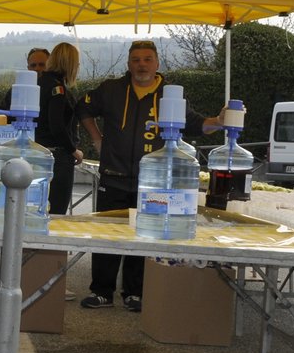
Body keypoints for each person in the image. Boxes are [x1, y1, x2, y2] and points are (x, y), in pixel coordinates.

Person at [76, 39, 220, 311]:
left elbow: (198, 124)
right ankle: (102, 292)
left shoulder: (171, 95)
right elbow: (82, 108)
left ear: (157, 63)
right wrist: (97, 138)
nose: (141, 64)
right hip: (113, 175)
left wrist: (222, 121)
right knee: (107, 234)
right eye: (136, 59)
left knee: (145, 235)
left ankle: (135, 293)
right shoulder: (111, 90)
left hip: (153, 181)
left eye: (147, 59)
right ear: (128, 64)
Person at [36, 42, 85, 216]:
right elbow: (56, 125)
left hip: (38, 154)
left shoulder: (40, 84)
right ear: (70, 63)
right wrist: (73, 150)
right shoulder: (58, 89)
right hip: (57, 158)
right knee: (56, 213)